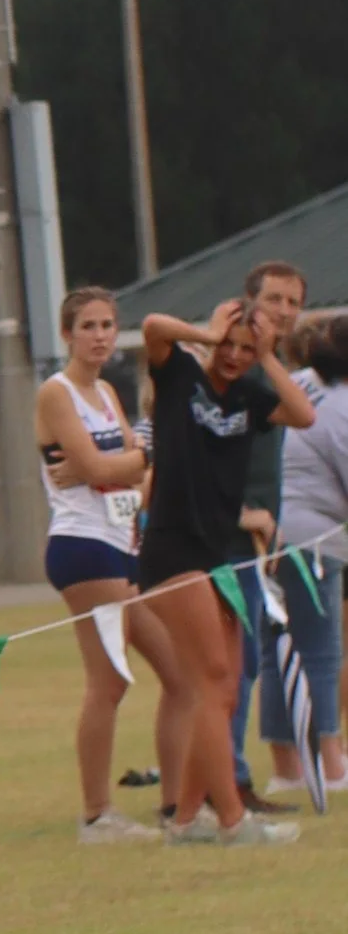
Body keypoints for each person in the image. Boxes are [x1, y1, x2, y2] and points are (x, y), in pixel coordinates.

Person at [136, 298, 313, 842]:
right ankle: (232, 819)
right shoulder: (181, 375)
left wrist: (269, 355)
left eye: (244, 348)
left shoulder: (250, 396)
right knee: (211, 679)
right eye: (228, 346)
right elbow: (153, 325)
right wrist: (211, 335)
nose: (234, 356)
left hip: (218, 553)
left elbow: (302, 414)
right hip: (173, 548)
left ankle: (188, 821)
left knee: (228, 687)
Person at [37, 287, 183, 842]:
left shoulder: (106, 394)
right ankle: (97, 815)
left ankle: (177, 805)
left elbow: (127, 476)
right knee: (110, 682)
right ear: (67, 334)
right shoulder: (56, 393)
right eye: (88, 326)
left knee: (178, 673)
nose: (99, 335)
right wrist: (141, 456)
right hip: (83, 546)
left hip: (122, 543)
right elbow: (103, 463)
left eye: (106, 325)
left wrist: (120, 466)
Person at [229, 261, 306, 807]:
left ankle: (223, 778)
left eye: (294, 303)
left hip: (258, 537)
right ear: (250, 301)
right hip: (224, 535)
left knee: (247, 661)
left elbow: (300, 414)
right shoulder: (239, 369)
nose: (283, 311)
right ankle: (227, 782)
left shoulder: (266, 371)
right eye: (274, 299)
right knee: (232, 665)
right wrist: (242, 514)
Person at [266, 312, 348, 793]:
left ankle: (288, 769)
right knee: (321, 653)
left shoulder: (300, 382)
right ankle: (329, 765)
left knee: (278, 655)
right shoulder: (341, 403)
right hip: (313, 540)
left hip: (276, 534)